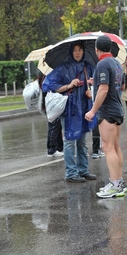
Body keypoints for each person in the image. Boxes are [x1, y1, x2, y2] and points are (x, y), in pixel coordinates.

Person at [42, 41, 97, 183]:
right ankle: (71, 173)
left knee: (82, 142)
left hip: (84, 108)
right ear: (71, 52)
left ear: (84, 51)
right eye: (75, 50)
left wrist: (91, 87)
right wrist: (69, 85)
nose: (78, 52)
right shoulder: (63, 68)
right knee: (69, 141)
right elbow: (49, 86)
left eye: (80, 50)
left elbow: (97, 84)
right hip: (70, 109)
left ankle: (83, 170)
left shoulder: (88, 67)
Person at [85, 35, 125, 198]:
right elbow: (120, 85)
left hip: (107, 111)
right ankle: (119, 182)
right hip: (117, 108)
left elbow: (103, 90)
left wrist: (93, 111)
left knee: (107, 148)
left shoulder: (102, 63)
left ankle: (115, 184)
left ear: (96, 49)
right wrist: (97, 81)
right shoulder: (116, 63)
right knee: (115, 147)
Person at [38, 71, 64, 158]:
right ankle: (52, 149)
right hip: (51, 103)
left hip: (50, 103)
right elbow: (49, 88)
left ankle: (58, 147)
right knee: (53, 126)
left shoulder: (43, 75)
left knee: (56, 126)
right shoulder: (47, 76)